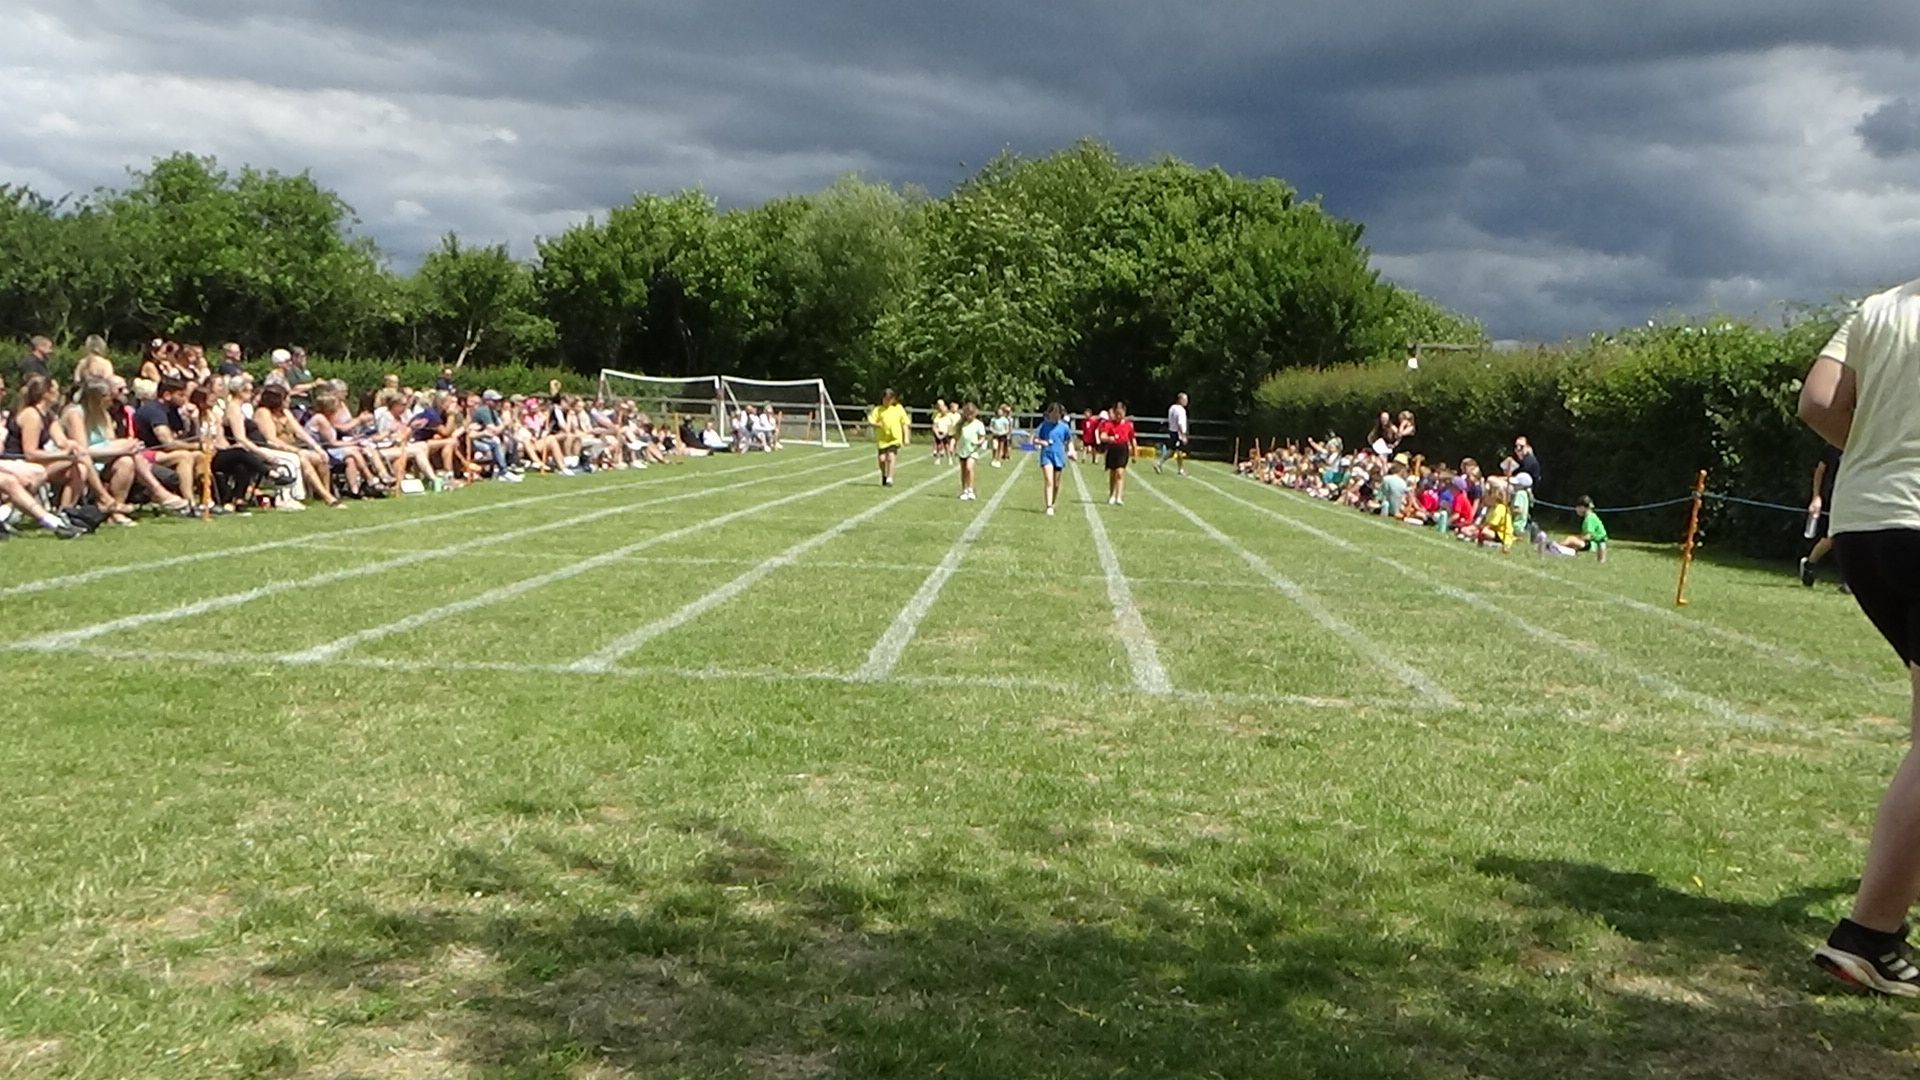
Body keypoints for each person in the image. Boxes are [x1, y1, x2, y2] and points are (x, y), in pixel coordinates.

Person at [1799, 280, 1920, 996]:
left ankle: (1880, 930)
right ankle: (1868, 935)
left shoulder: (1883, 307)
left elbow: (1818, 402)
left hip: (1865, 527)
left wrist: (1877, 447)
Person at [1802, 443, 1844, 589]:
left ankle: (1848, 581)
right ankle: (1809, 564)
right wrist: (1816, 497)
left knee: (1850, 537)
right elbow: (1820, 471)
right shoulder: (1833, 446)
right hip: (1831, 500)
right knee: (1830, 539)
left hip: (1852, 500)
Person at [1034, 402, 1073, 516]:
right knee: (1049, 481)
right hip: (1047, 455)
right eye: (1053, 413)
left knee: (1056, 484)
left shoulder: (1064, 427)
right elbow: (1035, 439)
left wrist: (1071, 450)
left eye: (1058, 413)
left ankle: (1053, 502)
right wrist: (1042, 442)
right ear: (1049, 413)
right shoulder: (1044, 425)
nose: (1056, 416)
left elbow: (1069, 440)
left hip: (1059, 457)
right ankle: (1049, 506)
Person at [1539, 496, 1607, 561]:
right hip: (1595, 543)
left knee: (1571, 539)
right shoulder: (1591, 517)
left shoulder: (1589, 519)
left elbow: (1587, 536)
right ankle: (1556, 548)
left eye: (1578, 507)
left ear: (1583, 508)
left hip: (1593, 544)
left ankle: (1554, 547)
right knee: (1571, 542)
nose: (1576, 510)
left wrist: (1576, 538)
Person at [869, 388, 910, 488]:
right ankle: (884, 475)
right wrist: (877, 424)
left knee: (891, 457)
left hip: (894, 438)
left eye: (889, 399)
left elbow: (904, 423)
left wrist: (906, 437)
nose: (886, 402)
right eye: (885, 399)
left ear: (893, 399)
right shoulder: (878, 409)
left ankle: (890, 478)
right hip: (882, 439)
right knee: (882, 459)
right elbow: (871, 420)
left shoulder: (898, 408)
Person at [1098, 402, 1135, 506]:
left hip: (1123, 450)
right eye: (1117, 414)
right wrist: (1109, 438)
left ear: (1124, 413)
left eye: (1121, 414)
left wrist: (1134, 453)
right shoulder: (1109, 424)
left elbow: (1132, 439)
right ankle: (1112, 495)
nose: (1119, 416)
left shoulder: (1128, 425)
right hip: (1112, 449)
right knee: (1113, 473)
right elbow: (1102, 436)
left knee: (1120, 472)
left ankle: (1119, 497)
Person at [955, 402, 986, 501]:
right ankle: (964, 490)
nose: (969, 416)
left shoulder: (978, 424)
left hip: (972, 450)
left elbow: (982, 437)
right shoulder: (961, 424)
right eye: (967, 414)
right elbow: (957, 436)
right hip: (963, 449)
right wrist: (955, 446)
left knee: (969, 468)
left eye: (971, 414)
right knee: (963, 470)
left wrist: (978, 442)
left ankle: (970, 489)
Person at [1157, 392, 1190, 476]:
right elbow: (1180, 423)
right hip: (1178, 432)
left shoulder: (1172, 407)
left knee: (1173, 450)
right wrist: (1183, 435)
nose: (1186, 402)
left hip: (1172, 431)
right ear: (1180, 400)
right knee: (1178, 451)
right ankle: (1160, 463)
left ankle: (1161, 463)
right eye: (1185, 400)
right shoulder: (1181, 410)